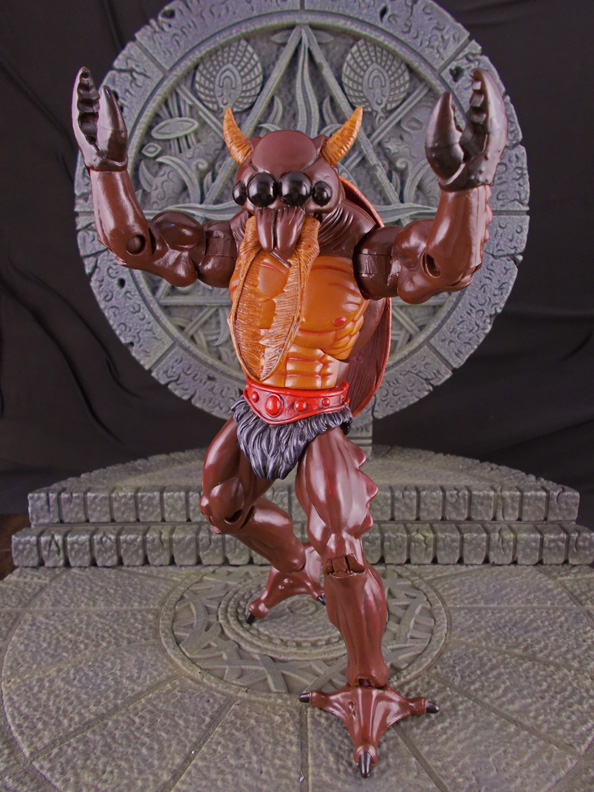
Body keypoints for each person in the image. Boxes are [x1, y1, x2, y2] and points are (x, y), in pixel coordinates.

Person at [72, 65, 506, 776]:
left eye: (301, 198)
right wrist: (107, 168)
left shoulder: (361, 251)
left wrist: (467, 186)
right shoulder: (236, 240)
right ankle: (297, 568)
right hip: (256, 407)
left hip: (319, 415)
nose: (277, 221)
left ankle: (369, 682)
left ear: (327, 190)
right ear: (246, 189)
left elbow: (440, 264)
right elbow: (141, 245)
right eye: (261, 199)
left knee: (342, 546)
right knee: (222, 504)